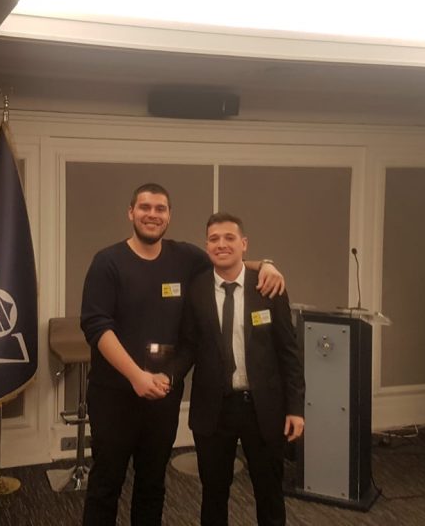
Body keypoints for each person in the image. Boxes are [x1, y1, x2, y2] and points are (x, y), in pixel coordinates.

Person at [80, 183, 285, 526]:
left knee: (152, 485)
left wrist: (266, 265)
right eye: (145, 207)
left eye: (160, 208)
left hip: (163, 394)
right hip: (115, 394)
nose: (152, 214)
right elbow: (96, 326)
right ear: (131, 213)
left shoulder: (185, 258)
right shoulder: (107, 262)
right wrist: (136, 376)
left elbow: (227, 261)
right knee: (106, 484)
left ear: (169, 216)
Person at [172, 212, 304, 526]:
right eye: (214, 239)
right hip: (214, 410)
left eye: (229, 238)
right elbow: (189, 345)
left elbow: (289, 353)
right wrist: (168, 375)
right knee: (214, 494)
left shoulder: (268, 287)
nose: (222, 244)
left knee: (269, 493)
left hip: (263, 409)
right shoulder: (196, 290)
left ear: (244, 244)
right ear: (207, 246)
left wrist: (295, 408)